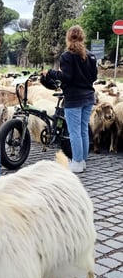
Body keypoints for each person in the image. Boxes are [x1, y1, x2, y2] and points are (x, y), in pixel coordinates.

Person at [44, 25, 97, 173]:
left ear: (68, 38)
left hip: (74, 99)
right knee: (83, 130)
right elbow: (94, 77)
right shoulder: (90, 56)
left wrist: (52, 72)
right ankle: (83, 160)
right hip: (88, 97)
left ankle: (77, 162)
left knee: (74, 132)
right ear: (82, 37)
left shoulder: (67, 56)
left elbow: (66, 76)